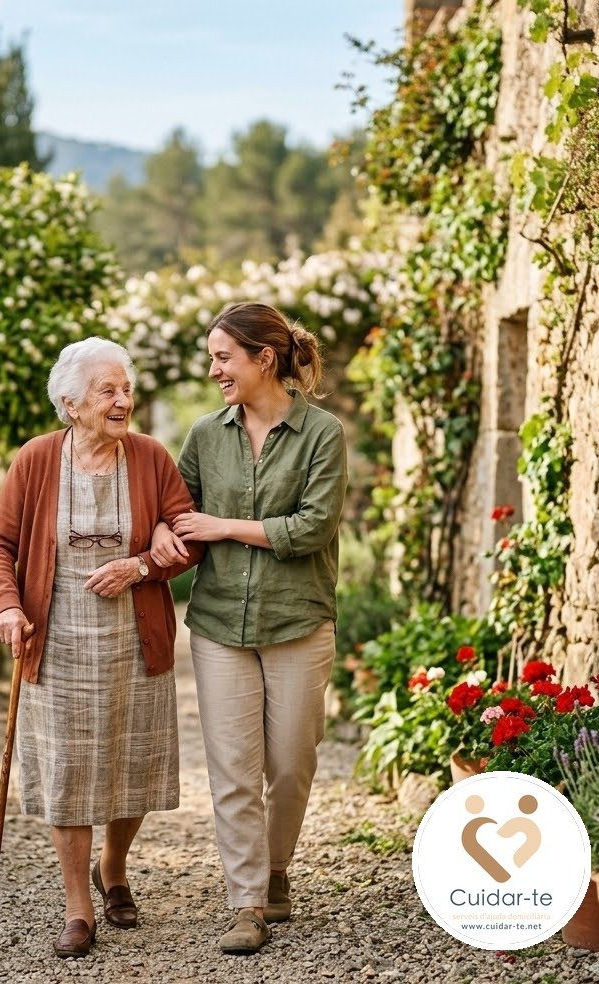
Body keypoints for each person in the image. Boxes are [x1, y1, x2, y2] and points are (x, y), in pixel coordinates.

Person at [0, 336, 203, 959]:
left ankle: (115, 865)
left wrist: (144, 564)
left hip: (136, 640)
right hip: (58, 642)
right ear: (71, 403)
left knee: (134, 764)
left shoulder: (153, 458)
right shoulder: (35, 460)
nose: (122, 400)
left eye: (125, 389)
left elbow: (189, 538)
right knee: (69, 770)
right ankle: (79, 906)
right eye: (108, 391)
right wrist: (7, 606)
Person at [150, 301, 347, 956]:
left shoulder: (323, 434)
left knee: (290, 765)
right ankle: (247, 903)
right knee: (234, 770)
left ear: (265, 359)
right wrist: (161, 530)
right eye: (213, 359)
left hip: (298, 620)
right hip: (217, 625)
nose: (214, 371)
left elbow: (312, 528)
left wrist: (222, 527)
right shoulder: (207, 435)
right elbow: (176, 506)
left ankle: (276, 866)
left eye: (223, 358)